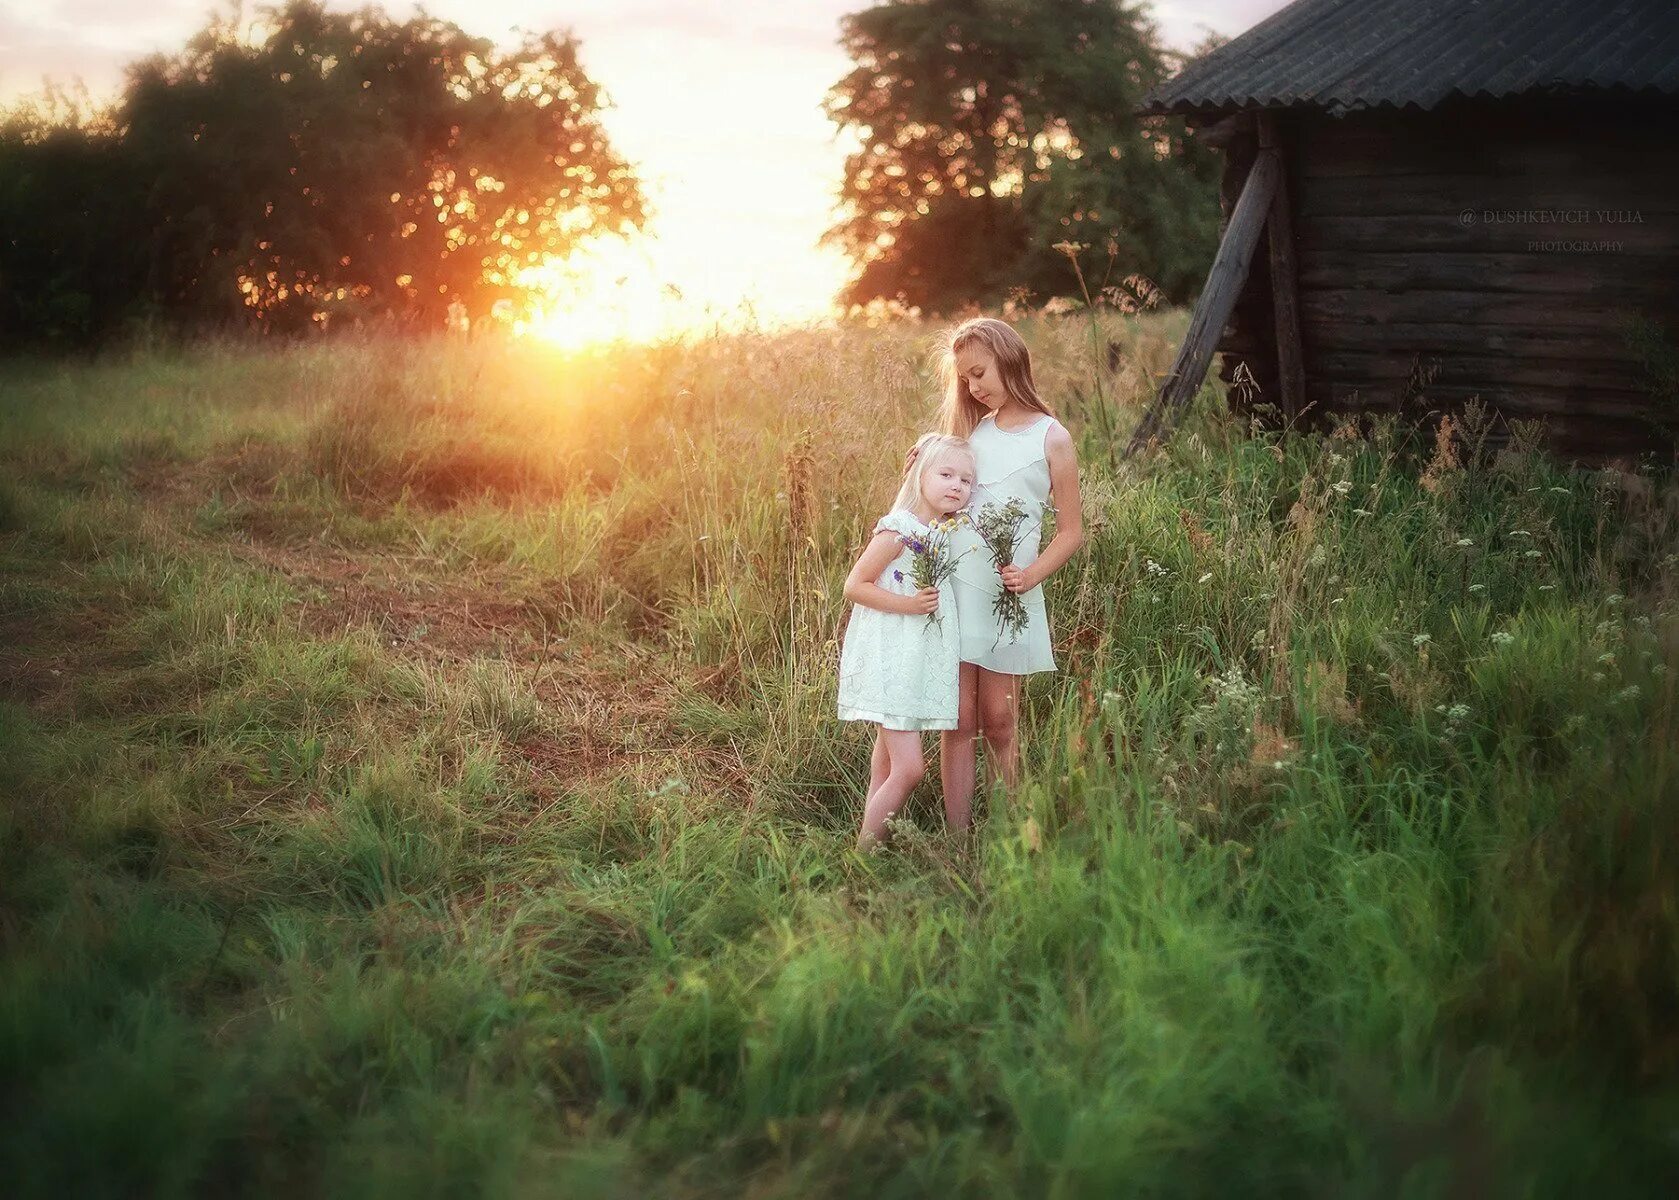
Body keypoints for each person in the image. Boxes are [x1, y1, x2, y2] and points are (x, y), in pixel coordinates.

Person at [931, 317, 1084, 828]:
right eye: (966, 381)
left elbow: (1070, 532)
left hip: (1011, 594)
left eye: (979, 373)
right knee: (958, 719)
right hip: (960, 589)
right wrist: (924, 461)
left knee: (999, 721)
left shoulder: (1052, 437)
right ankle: (956, 839)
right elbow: (950, 494)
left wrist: (1032, 574)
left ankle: (1011, 830)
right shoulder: (973, 434)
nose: (974, 387)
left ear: (1008, 357)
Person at [838, 433, 977, 850]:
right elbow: (855, 585)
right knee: (910, 768)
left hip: (912, 664)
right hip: (892, 662)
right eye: (946, 474)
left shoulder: (938, 533)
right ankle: (862, 856)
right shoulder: (899, 530)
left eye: (966, 480)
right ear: (920, 475)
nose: (957, 485)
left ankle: (866, 856)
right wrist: (909, 605)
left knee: (885, 765)